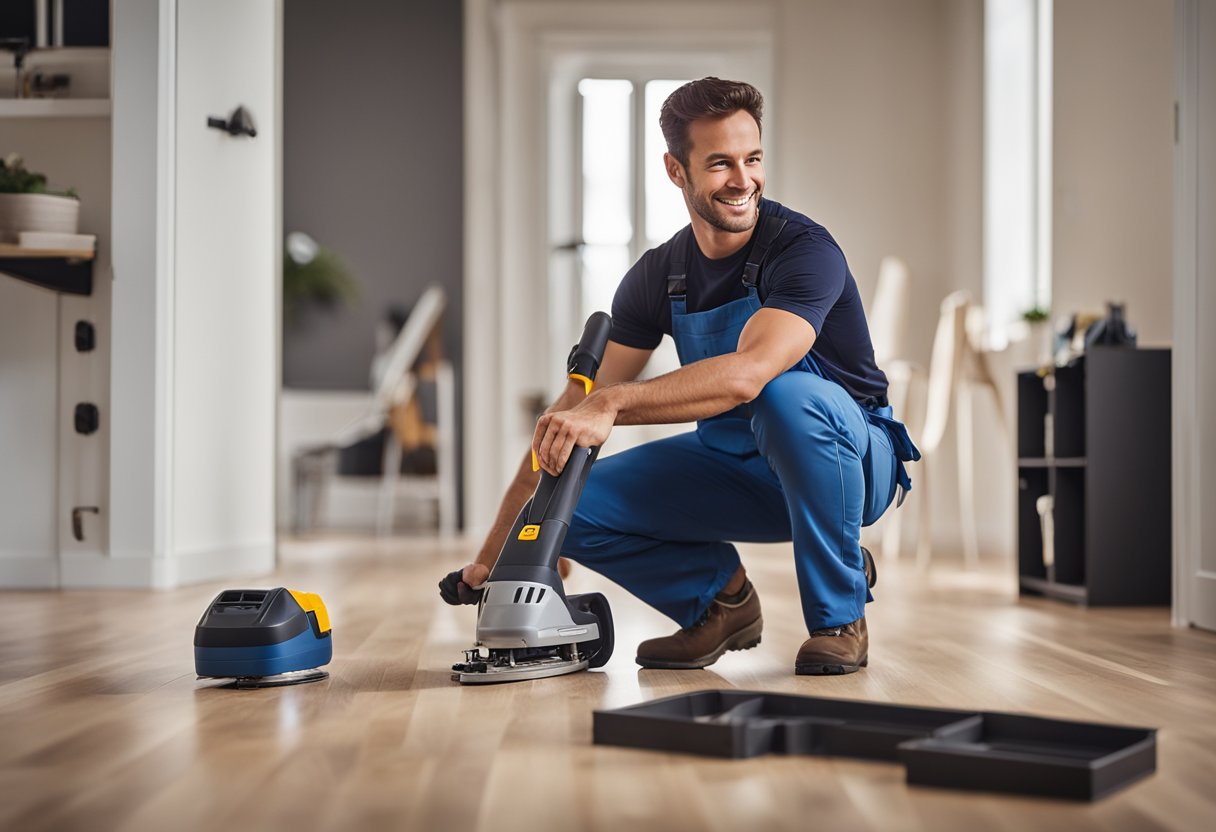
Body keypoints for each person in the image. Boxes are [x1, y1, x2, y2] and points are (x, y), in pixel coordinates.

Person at [441, 77, 918, 675]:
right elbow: (568, 414)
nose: (743, 180)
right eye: (720, 164)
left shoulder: (803, 250)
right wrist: (498, 554)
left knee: (786, 395)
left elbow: (747, 375)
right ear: (676, 170)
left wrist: (613, 402)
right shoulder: (657, 276)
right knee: (565, 503)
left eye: (753, 159)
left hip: (852, 462)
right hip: (733, 467)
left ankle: (839, 617)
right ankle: (720, 602)